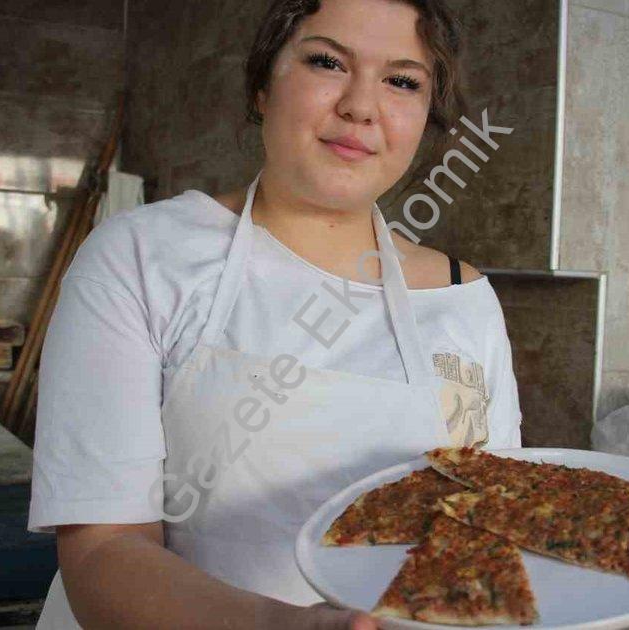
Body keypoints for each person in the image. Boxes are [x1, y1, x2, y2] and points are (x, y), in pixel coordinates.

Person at [28, 0, 523, 627]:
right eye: (326, 62)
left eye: (402, 81)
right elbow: (102, 554)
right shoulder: (141, 258)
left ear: (426, 117)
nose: (360, 107)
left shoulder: (464, 299)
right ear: (262, 86)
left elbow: (495, 521)